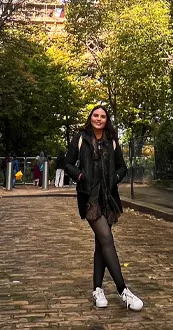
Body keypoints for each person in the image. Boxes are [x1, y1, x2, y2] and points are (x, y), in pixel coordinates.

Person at [63, 105, 144, 312]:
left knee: (101, 243)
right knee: (107, 239)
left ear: (107, 120)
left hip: (109, 198)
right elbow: (68, 164)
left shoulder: (112, 140)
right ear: (90, 117)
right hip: (89, 198)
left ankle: (97, 289)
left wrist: (115, 178)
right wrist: (81, 176)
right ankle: (123, 290)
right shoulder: (81, 137)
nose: (98, 119)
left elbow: (122, 166)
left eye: (102, 116)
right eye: (95, 115)